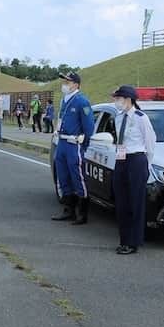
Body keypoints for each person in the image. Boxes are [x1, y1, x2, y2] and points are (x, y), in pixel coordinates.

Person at [108, 85, 156, 254]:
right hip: (121, 160)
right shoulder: (119, 117)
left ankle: (133, 242)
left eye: (118, 99)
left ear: (128, 99)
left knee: (135, 202)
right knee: (121, 202)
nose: (116, 102)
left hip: (137, 160)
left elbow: (150, 143)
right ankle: (124, 239)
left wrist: (147, 166)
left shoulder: (141, 118)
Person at [51, 73, 95, 223]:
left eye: (67, 82)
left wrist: (84, 144)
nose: (65, 84)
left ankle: (82, 213)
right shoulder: (65, 100)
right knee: (63, 176)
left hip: (73, 143)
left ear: (76, 84)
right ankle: (68, 209)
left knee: (77, 176)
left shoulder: (82, 102)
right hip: (62, 142)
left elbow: (89, 127)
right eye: (64, 81)